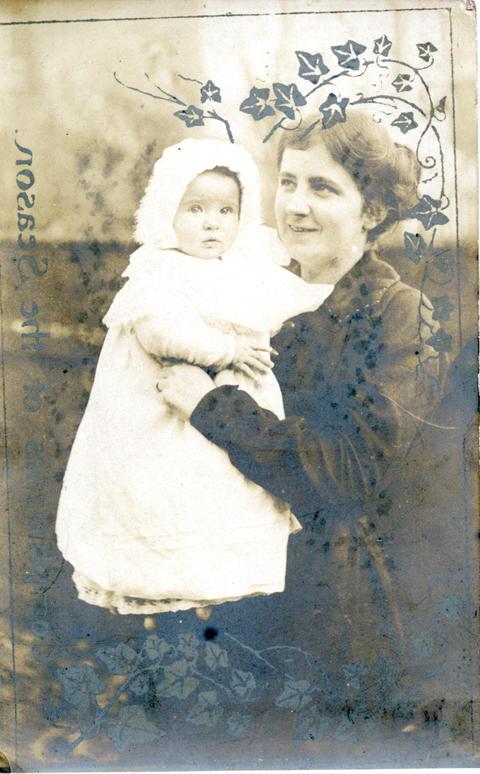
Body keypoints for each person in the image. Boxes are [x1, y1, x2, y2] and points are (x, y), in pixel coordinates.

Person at [156, 113, 447, 710]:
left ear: (371, 212)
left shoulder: (396, 314)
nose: (295, 205)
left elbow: (349, 471)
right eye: (287, 182)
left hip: (326, 610)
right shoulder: (244, 290)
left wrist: (214, 407)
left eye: (323, 188)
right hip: (218, 587)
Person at [55, 138, 332, 619]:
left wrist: (313, 305)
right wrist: (226, 348)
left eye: (226, 211)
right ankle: (158, 589)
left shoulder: (241, 268)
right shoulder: (157, 269)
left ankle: (218, 587)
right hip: (161, 416)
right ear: (167, 213)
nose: (211, 223)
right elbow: (159, 331)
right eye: (196, 209)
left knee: (225, 498)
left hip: (224, 413)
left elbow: (289, 298)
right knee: (166, 496)